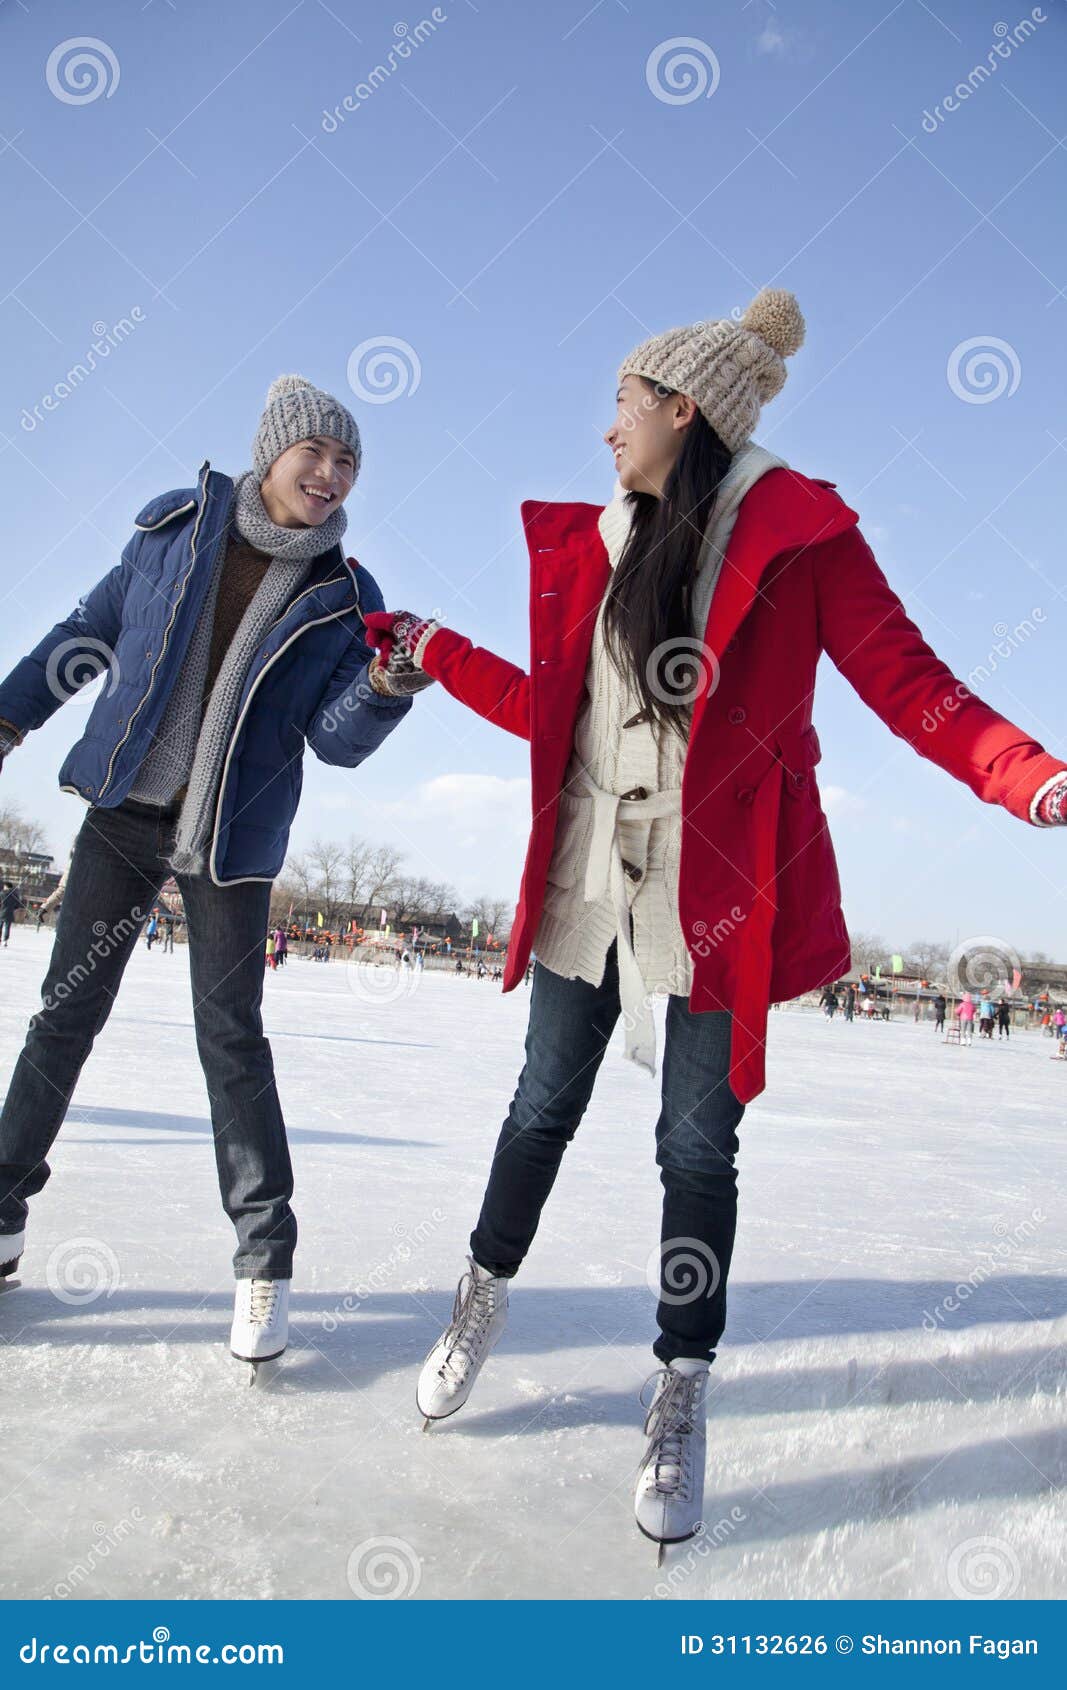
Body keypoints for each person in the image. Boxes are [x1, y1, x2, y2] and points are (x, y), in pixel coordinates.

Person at [363, 287, 1067, 1551]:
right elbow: (552, 712)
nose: (605, 431)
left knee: (696, 1146)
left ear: (679, 410)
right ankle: (480, 1291)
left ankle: (678, 1384)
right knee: (539, 1104)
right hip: (590, 870)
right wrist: (432, 644)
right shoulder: (597, 544)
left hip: (713, 890)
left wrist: (1026, 773)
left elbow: (911, 685)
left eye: (620, 405)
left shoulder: (801, 540)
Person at [0, 374, 426, 1365]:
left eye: (346, 462)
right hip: (123, 811)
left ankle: (263, 1261)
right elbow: (85, 633)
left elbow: (335, 741)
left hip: (230, 841)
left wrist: (381, 684)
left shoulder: (346, 596)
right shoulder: (174, 529)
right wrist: (11, 714)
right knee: (64, 1015)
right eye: (313, 453)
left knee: (230, 1037)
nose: (328, 474)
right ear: (271, 451)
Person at [0, 882, 24, 946]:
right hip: (10, 913)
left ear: (6, 886)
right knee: (7, 927)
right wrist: (13, 908)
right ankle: (5, 940)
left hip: (1, 912)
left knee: (0, 926)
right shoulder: (15, 895)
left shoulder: (2, 893)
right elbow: (18, 904)